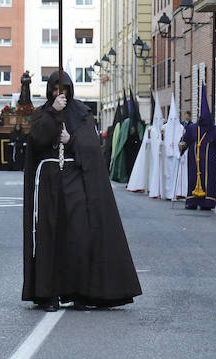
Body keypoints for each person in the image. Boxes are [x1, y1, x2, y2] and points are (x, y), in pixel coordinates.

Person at [23, 71, 142, 311]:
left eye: (63, 88)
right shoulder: (42, 113)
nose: (60, 93)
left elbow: (90, 146)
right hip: (48, 183)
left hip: (75, 179)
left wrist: (70, 141)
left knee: (79, 234)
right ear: (49, 91)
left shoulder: (82, 114)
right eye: (56, 89)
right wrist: (53, 112)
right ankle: (50, 293)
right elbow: (37, 139)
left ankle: (80, 290)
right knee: (49, 236)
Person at [179, 85, 216, 210]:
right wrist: (182, 145)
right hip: (194, 161)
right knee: (193, 178)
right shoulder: (192, 128)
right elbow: (185, 140)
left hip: (210, 162)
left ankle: (207, 203)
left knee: (210, 181)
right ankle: (192, 201)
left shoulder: (215, 130)